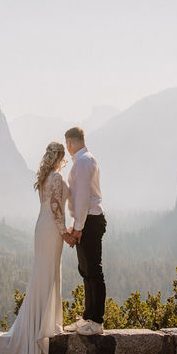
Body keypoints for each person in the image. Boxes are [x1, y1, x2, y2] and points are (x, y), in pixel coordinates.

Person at [0, 141, 71, 354]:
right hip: (51, 230)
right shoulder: (57, 177)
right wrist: (67, 234)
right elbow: (56, 207)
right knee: (47, 276)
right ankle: (41, 326)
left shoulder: (43, 177)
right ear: (61, 158)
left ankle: (40, 323)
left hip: (41, 229)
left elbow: (49, 205)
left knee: (43, 276)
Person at [62, 126, 107, 336]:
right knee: (86, 271)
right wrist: (76, 224)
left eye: (66, 144)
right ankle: (88, 317)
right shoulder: (87, 159)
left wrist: (77, 227)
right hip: (87, 220)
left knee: (93, 272)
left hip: (89, 221)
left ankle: (96, 321)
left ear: (70, 143)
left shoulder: (81, 163)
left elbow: (81, 199)